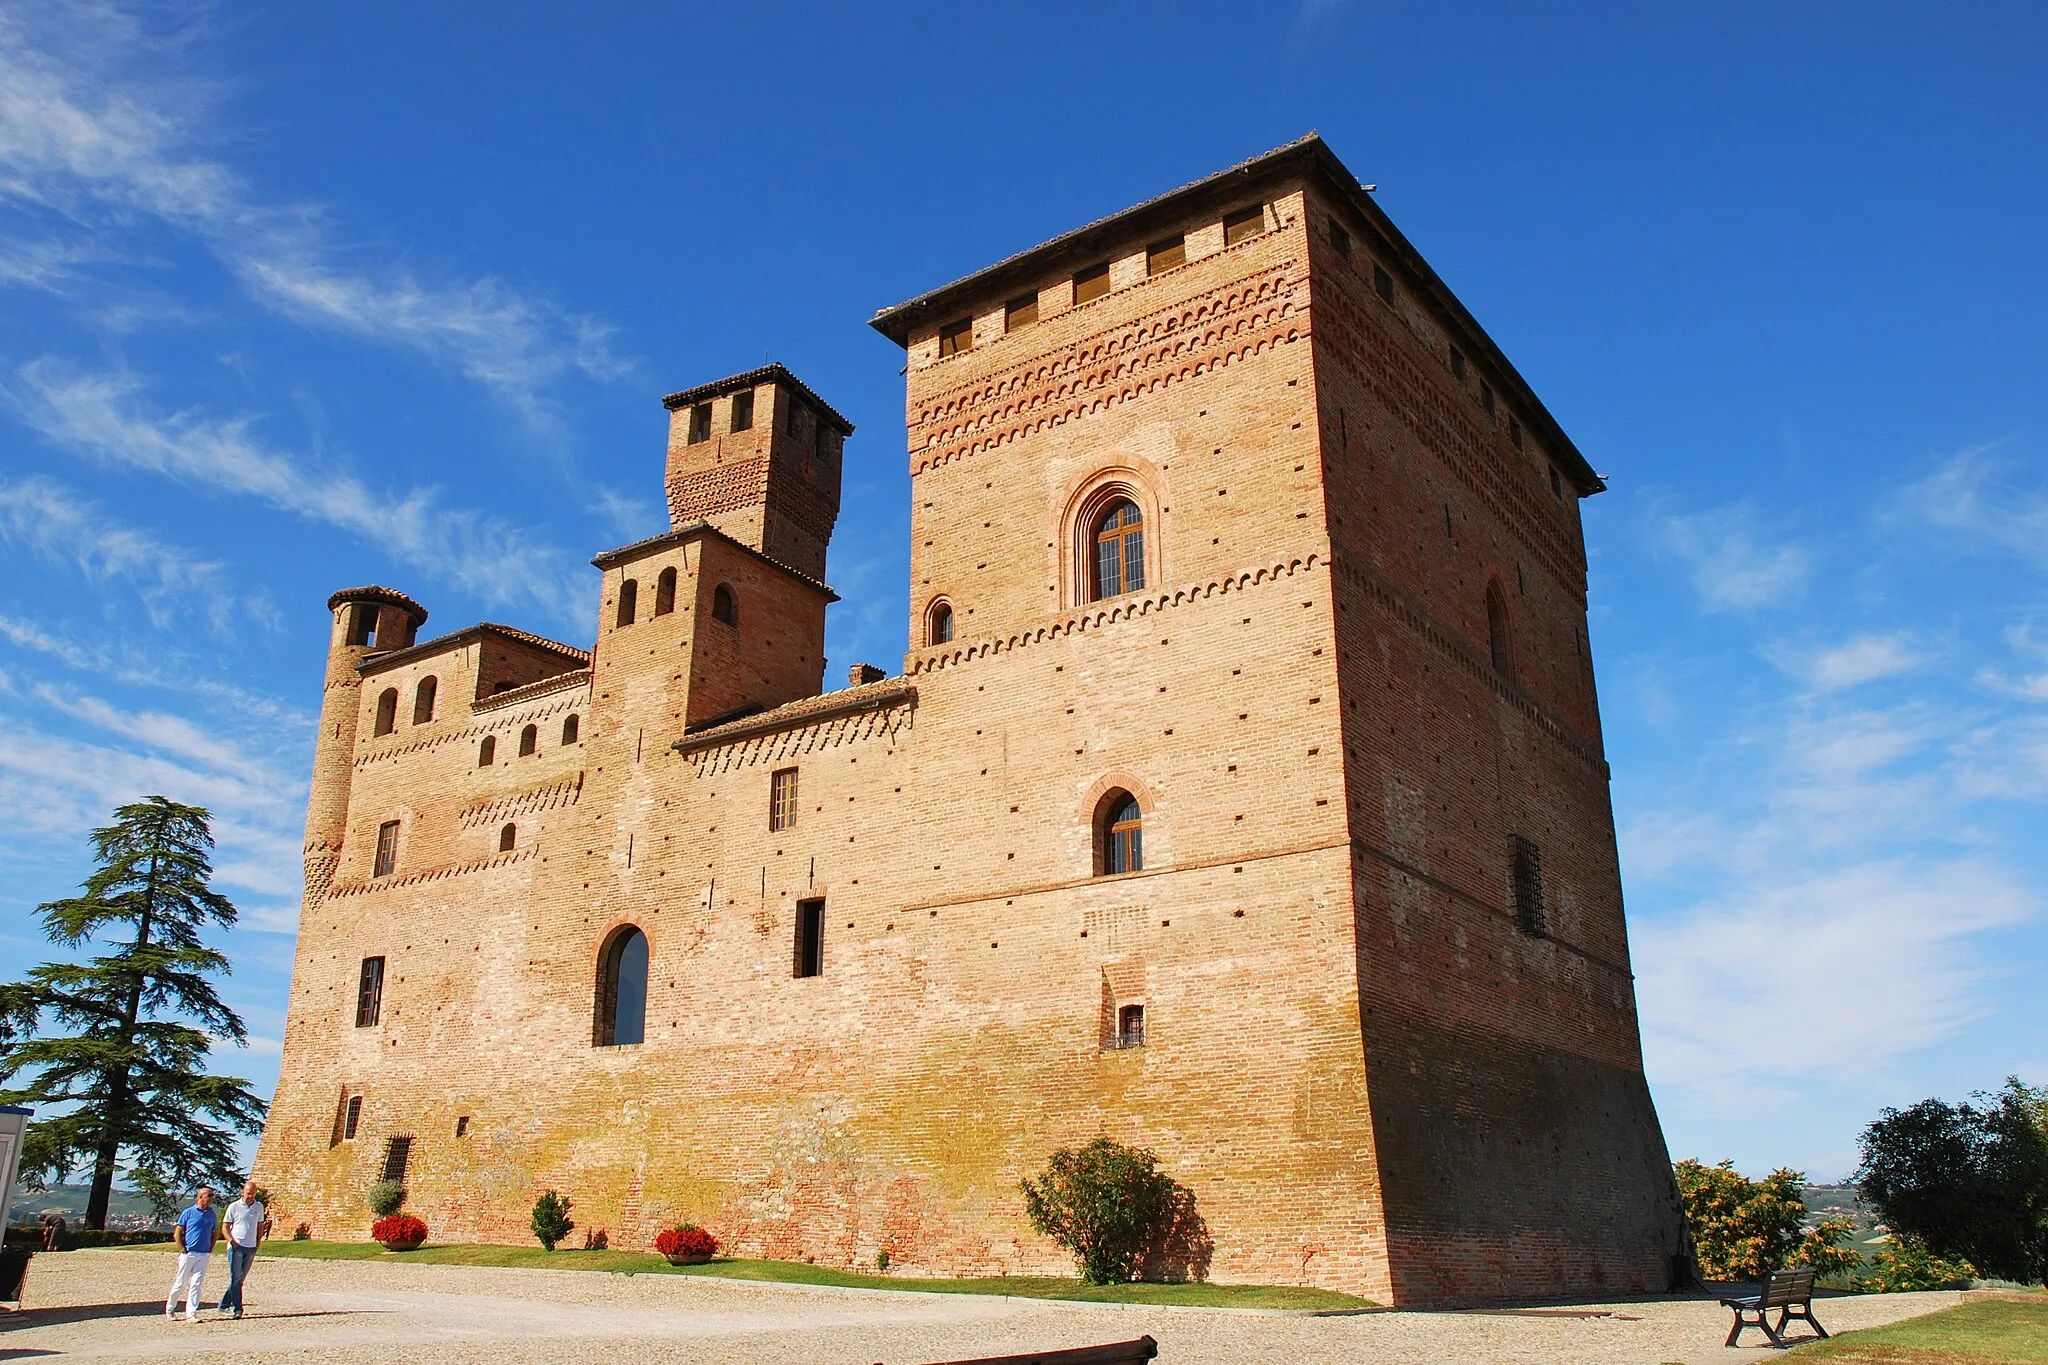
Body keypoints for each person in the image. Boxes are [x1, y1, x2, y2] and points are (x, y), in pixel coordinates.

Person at [165, 1186, 217, 1322]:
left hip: (203, 1254)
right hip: (189, 1253)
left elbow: (214, 1232)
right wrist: (182, 1248)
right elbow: (178, 1232)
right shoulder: (188, 1212)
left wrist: (211, 1247)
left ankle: (191, 1313)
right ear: (201, 1197)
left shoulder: (211, 1214)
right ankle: (170, 1308)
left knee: (196, 1284)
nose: (212, 1198)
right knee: (181, 1282)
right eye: (209, 1195)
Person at [216, 1181, 266, 1319]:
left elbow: (260, 1225)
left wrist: (258, 1241)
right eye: (249, 1193)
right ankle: (238, 1309)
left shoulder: (258, 1206)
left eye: (253, 1193)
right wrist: (232, 1241)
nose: (251, 1196)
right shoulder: (234, 1206)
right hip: (236, 1246)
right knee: (236, 1278)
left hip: (251, 1247)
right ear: (243, 1192)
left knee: (239, 1279)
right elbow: (225, 1226)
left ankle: (224, 1305)